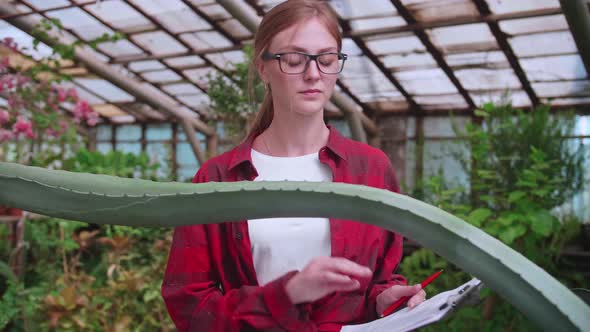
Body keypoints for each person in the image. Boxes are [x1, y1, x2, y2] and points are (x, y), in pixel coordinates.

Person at [161, 1, 426, 331]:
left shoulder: (370, 169)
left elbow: (381, 279)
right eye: (294, 60)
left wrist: (387, 299)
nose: (313, 74)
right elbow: (189, 304)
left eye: (327, 60)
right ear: (263, 68)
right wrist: (286, 294)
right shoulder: (217, 180)